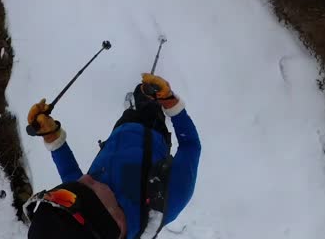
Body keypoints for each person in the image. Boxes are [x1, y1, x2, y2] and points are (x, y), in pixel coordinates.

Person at [25, 73, 201, 239]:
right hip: (153, 131)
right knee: (148, 99)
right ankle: (144, 100)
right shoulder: (167, 200)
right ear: (115, 221)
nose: (85, 177)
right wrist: (170, 102)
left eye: (68, 192)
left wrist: (52, 138)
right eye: (91, 187)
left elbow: (69, 173)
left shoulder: (85, 202)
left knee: (130, 112)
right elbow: (190, 146)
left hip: (120, 131)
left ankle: (132, 107)